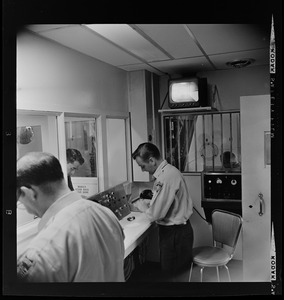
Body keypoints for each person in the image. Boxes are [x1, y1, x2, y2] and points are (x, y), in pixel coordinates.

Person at [16, 152, 125, 282]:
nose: (26, 209)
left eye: (20, 200)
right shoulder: (107, 214)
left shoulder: (41, 252)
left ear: (29, 193)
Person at [132, 142, 194, 282]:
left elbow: (156, 214)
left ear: (152, 160)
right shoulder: (168, 172)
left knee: (172, 277)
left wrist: (142, 206)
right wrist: (152, 205)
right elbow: (164, 202)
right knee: (176, 276)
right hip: (178, 232)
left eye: (143, 166)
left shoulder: (166, 177)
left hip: (174, 235)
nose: (143, 170)